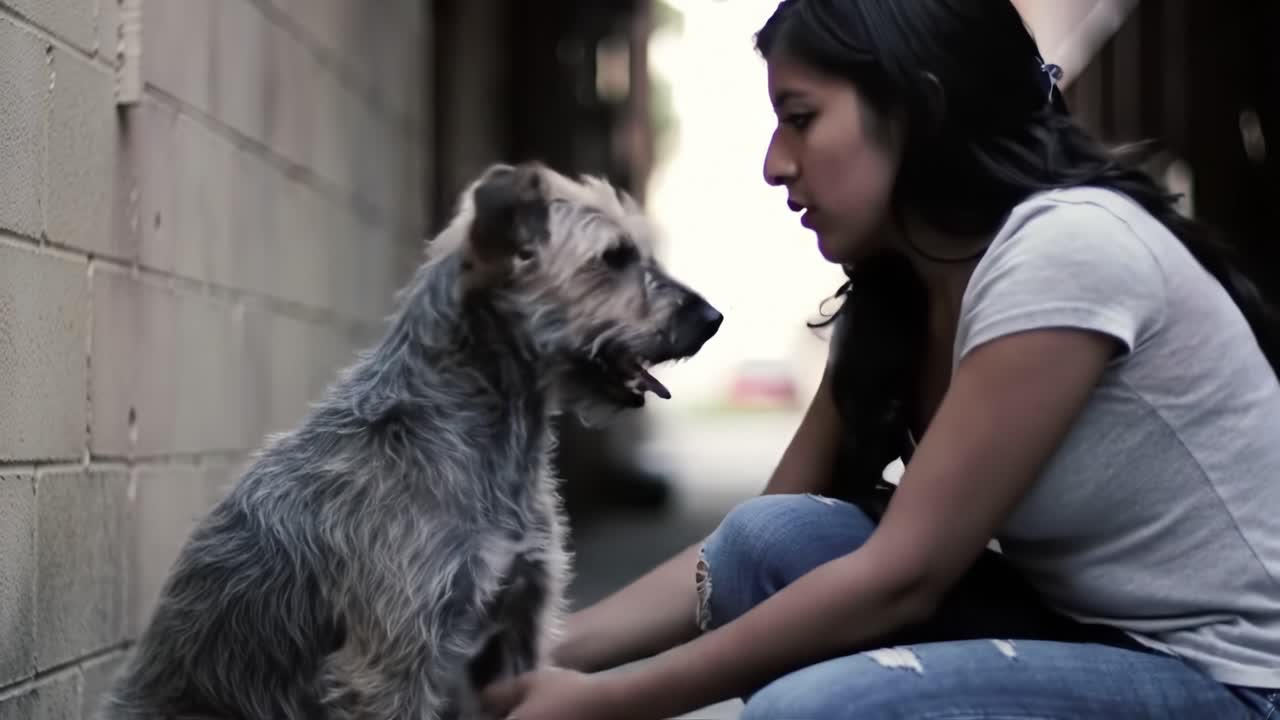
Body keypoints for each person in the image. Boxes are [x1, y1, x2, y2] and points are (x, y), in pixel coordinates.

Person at [482, 1, 1280, 718]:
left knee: (822, 710)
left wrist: (606, 704)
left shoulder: (1067, 249)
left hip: (1240, 682)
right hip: (1093, 637)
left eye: (800, 118)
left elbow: (904, 578)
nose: (774, 163)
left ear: (916, 108)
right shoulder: (901, 290)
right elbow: (736, 557)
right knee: (773, 541)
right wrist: (524, 661)